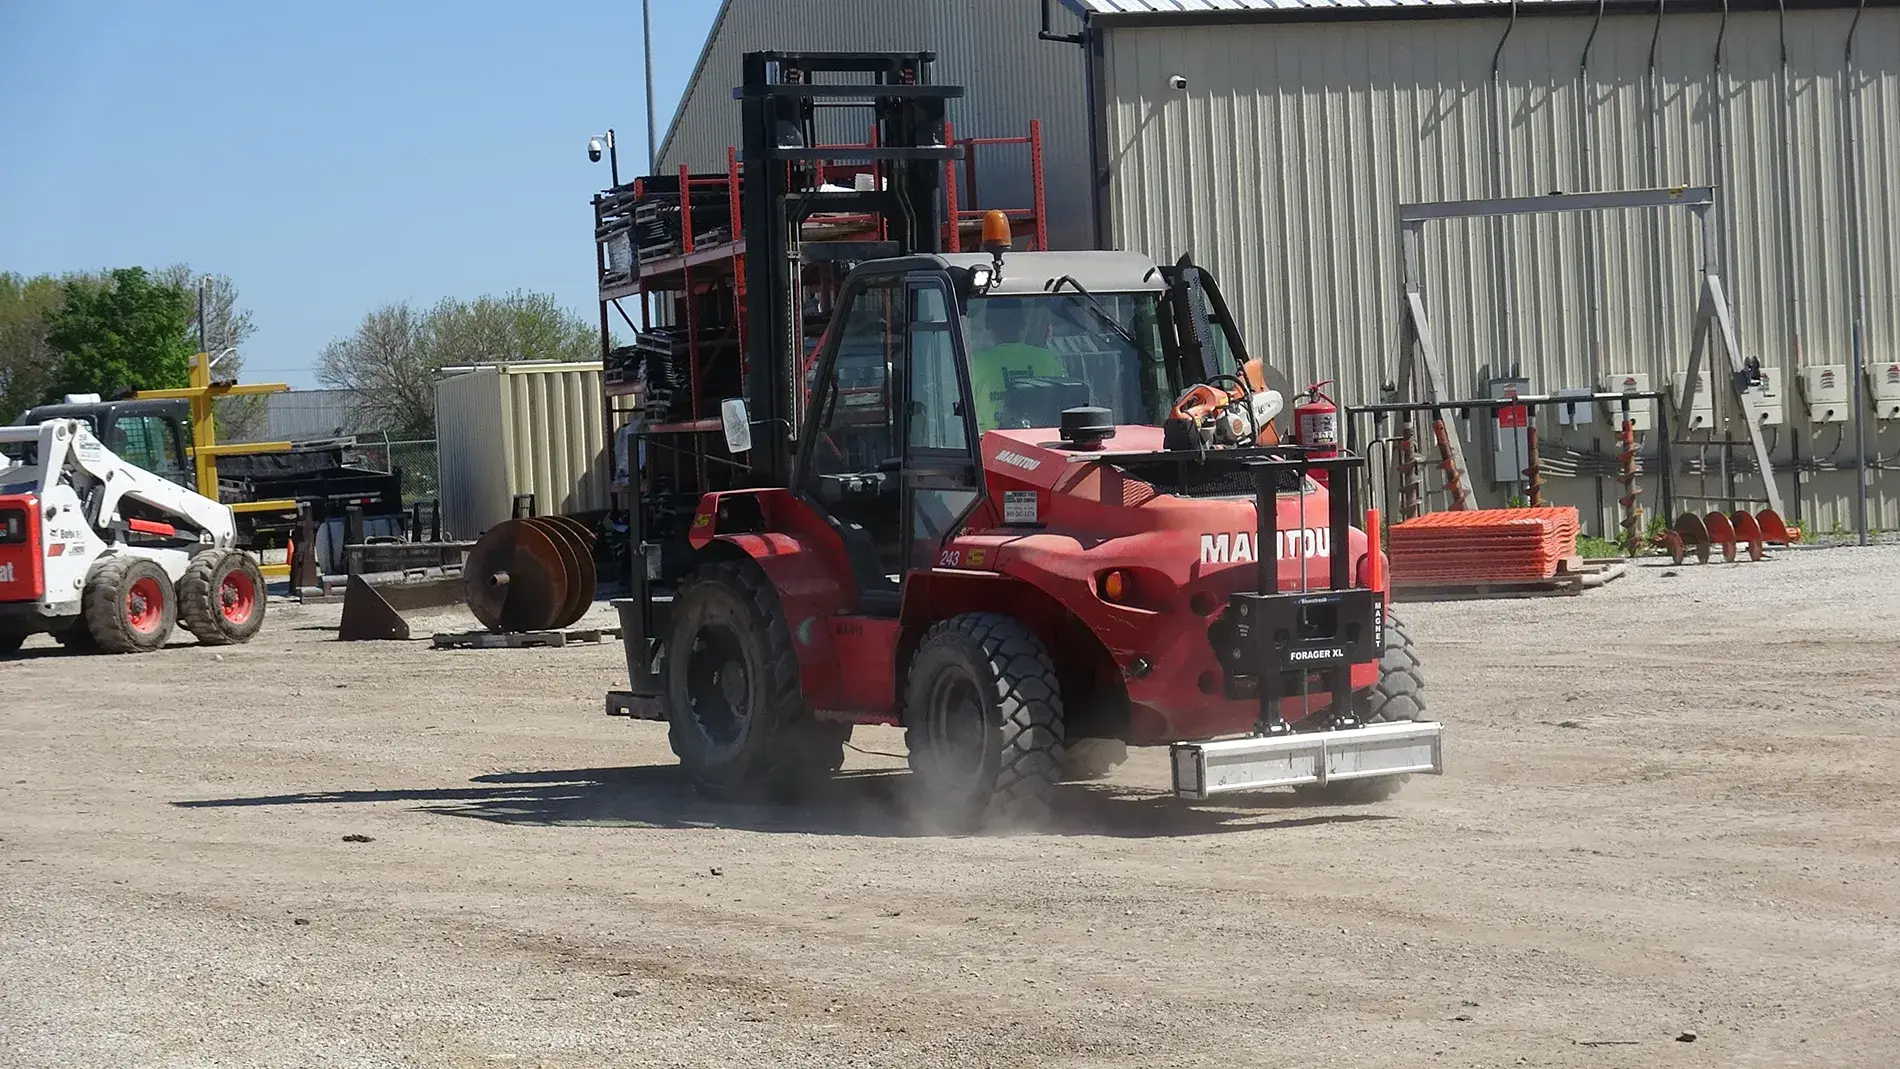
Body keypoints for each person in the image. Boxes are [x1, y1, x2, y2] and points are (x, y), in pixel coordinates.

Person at [966, 299, 1065, 431]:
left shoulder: (976, 363)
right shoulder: (1048, 359)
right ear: (1022, 323)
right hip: (1041, 446)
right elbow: (1064, 405)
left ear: (987, 324)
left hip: (988, 447)